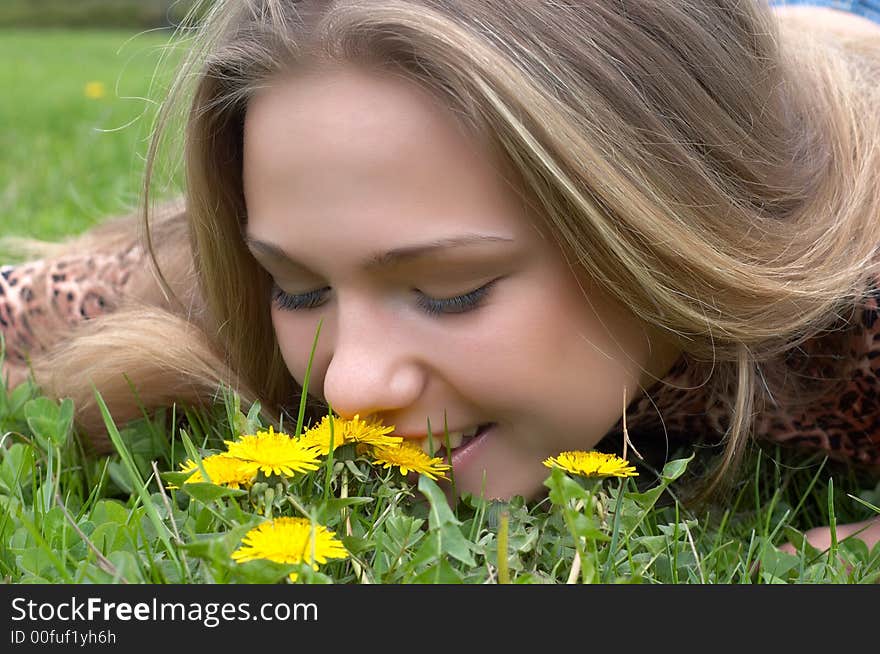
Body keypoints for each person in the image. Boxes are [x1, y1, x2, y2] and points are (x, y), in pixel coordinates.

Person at [2, 0, 880, 552]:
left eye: (451, 288)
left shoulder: (854, 292)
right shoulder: (221, 268)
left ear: (664, 226)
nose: (350, 384)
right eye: (299, 288)